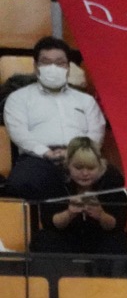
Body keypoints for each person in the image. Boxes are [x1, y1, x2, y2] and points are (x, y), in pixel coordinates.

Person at [3, 37, 107, 202]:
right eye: (46, 62)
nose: (53, 68)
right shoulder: (18, 98)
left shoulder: (85, 100)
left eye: (60, 63)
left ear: (68, 67)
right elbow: (18, 132)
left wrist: (73, 152)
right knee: (24, 180)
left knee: (112, 179)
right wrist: (46, 152)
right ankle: (56, 218)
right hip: (38, 158)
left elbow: (97, 130)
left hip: (82, 155)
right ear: (36, 66)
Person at [27, 137, 127, 261]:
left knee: (121, 243)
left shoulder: (112, 178)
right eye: (78, 168)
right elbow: (48, 223)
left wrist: (101, 215)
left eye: (91, 168)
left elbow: (119, 224)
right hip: (66, 237)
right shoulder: (54, 177)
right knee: (43, 240)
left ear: (99, 166)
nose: (85, 173)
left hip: (100, 238)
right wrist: (69, 213)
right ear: (68, 165)